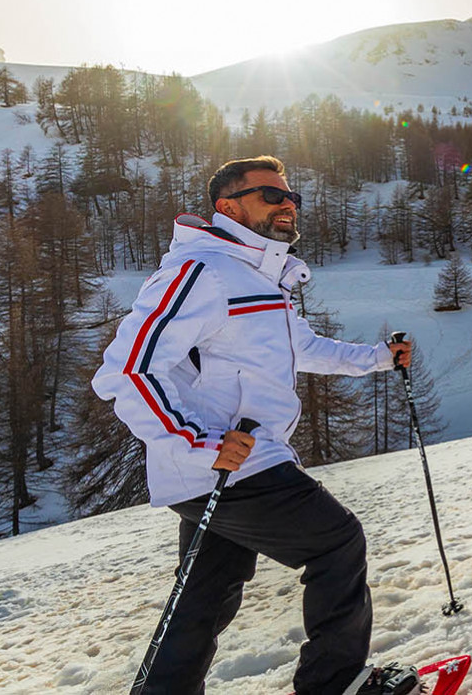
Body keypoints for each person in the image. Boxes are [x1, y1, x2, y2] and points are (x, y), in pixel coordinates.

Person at [92, 156, 421, 695]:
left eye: (292, 197)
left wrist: (379, 358)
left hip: (222, 466)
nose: (287, 204)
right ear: (227, 207)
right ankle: (334, 684)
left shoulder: (260, 277)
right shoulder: (200, 271)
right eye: (270, 195)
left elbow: (303, 347)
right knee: (336, 543)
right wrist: (199, 443)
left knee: (206, 593)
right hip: (232, 461)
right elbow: (125, 369)